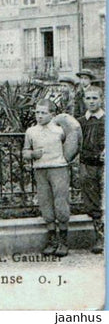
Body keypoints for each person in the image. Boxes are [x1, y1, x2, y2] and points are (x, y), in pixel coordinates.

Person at [23, 98, 71, 257]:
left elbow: (71, 146)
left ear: (52, 114)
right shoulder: (31, 131)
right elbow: (25, 152)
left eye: (44, 113)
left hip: (58, 169)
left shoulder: (59, 130)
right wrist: (31, 154)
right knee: (45, 202)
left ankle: (63, 241)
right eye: (37, 112)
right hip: (40, 170)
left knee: (60, 201)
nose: (39, 116)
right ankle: (52, 240)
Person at [78, 85, 105, 253]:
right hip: (87, 165)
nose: (91, 101)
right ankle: (99, 237)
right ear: (83, 100)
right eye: (88, 98)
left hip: (104, 165)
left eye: (95, 98)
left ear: (101, 99)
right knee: (92, 201)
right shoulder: (79, 122)